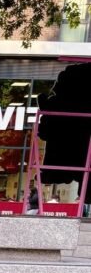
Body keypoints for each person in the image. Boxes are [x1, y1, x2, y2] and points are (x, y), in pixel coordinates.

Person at [38, 63, 91, 210]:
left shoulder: (58, 104)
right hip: (74, 157)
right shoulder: (63, 105)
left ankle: (52, 173)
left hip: (65, 157)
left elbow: (44, 133)